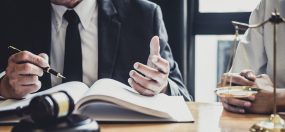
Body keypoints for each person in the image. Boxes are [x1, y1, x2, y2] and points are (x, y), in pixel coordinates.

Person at [0, 0, 192, 101]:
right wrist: (4, 87)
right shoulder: (10, 13)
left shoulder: (144, 15)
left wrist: (162, 86)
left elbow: (183, 96)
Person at [220, 0, 285, 114]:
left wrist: (276, 99)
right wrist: (234, 88)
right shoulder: (271, 4)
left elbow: (268, 97)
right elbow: (237, 87)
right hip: (260, 126)